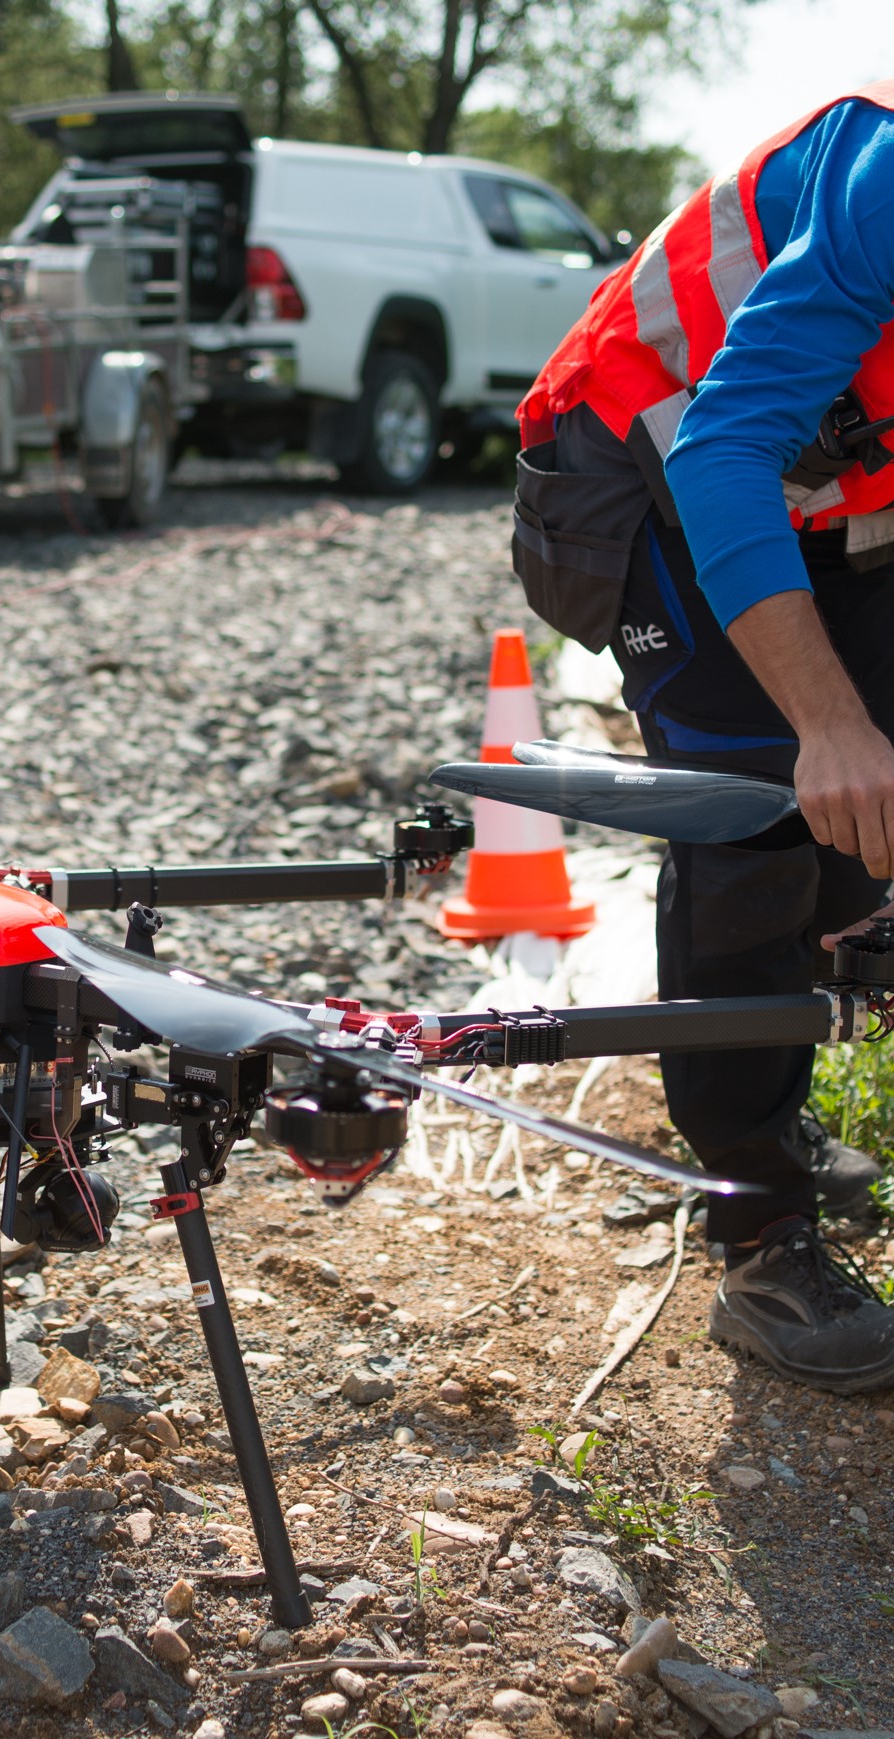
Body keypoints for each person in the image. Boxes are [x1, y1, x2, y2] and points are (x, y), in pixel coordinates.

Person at [514, 80, 894, 1392]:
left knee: (858, 835)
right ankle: (760, 1234)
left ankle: (773, 1102)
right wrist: (829, 720)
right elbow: (724, 448)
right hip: (637, 459)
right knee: (760, 816)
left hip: (819, 479)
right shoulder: (888, 179)